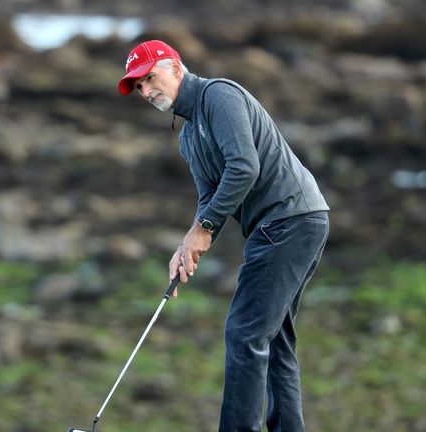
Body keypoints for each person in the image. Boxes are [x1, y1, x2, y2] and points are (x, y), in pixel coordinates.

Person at [118, 40, 330, 432]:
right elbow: (209, 200)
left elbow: (244, 168)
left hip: (290, 221)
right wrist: (188, 245)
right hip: (284, 225)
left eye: (150, 78)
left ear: (176, 68)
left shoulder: (219, 95)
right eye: (139, 87)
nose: (147, 91)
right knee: (274, 340)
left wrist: (204, 230)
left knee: (244, 331)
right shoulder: (187, 137)